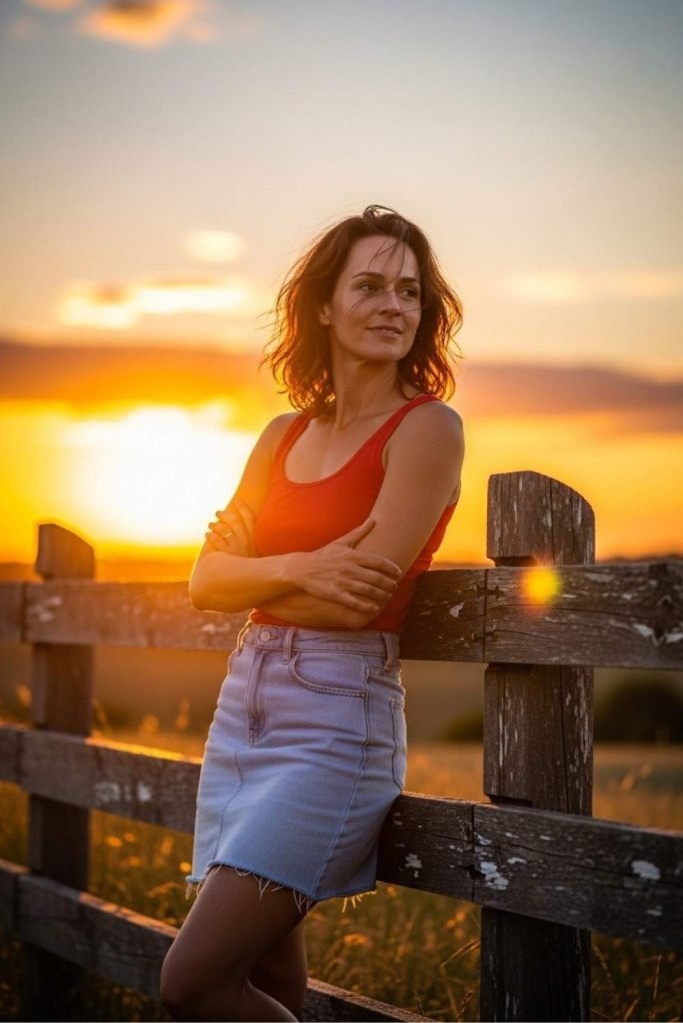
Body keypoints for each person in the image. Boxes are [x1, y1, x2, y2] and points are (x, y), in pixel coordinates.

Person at [160, 204, 465, 1021]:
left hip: (335, 719)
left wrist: (250, 572)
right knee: (262, 977)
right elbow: (201, 582)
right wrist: (299, 566)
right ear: (322, 306)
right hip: (243, 709)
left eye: (409, 290)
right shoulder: (279, 435)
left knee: (190, 982)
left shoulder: (427, 428)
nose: (393, 305)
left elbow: (361, 589)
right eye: (368, 285)